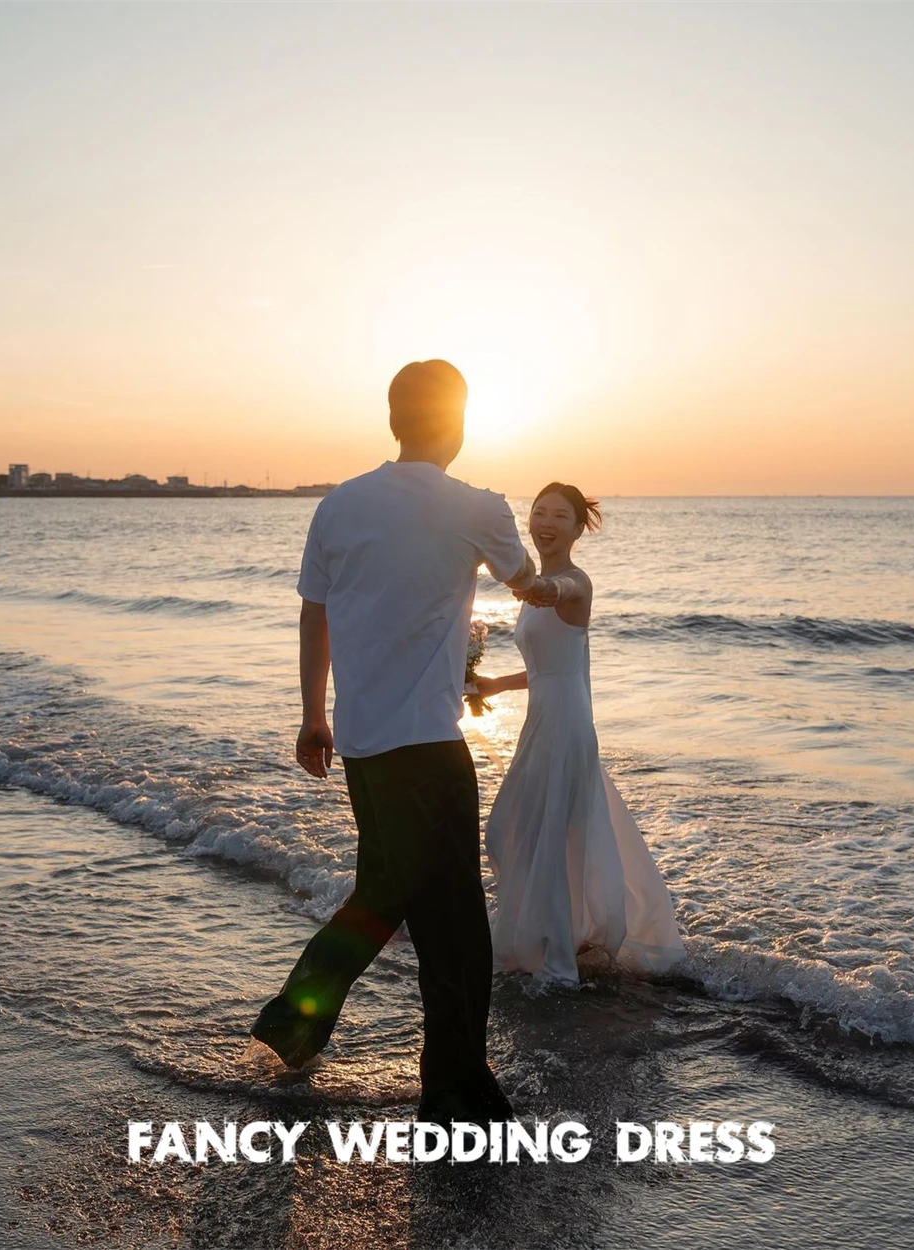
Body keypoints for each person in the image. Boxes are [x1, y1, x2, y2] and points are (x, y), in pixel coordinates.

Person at [250, 360, 555, 1126]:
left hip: (363, 745)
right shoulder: (476, 506)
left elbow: (313, 615)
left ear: (394, 421)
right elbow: (529, 584)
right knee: (455, 924)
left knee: (387, 891)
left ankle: (294, 1020)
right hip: (426, 747)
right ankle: (453, 1088)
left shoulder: (338, 505)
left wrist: (312, 714)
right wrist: (568, 588)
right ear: (456, 425)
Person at [474, 483, 686, 986]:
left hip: (564, 727)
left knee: (529, 832)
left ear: (576, 528)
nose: (546, 522)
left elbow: (556, 593)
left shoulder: (574, 583)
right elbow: (551, 667)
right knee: (527, 831)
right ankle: (558, 937)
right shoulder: (536, 584)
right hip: (545, 720)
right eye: (539, 512)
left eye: (560, 516)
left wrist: (531, 583)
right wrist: (493, 683)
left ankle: (554, 960)